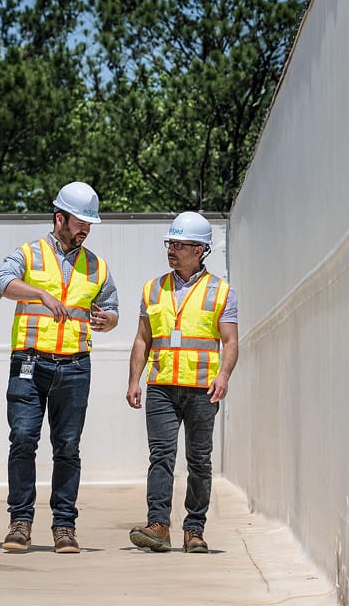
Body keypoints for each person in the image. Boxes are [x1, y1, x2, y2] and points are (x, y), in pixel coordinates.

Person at [0, 181, 119, 554]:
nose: (85, 230)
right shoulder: (28, 254)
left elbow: (112, 309)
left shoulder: (97, 265)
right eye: (80, 223)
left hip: (75, 367)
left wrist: (108, 320)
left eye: (89, 225)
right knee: (24, 440)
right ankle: (20, 522)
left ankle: (64, 526)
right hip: (29, 364)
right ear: (59, 218)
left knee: (67, 448)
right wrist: (40, 293)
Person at [126, 211, 239, 554]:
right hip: (161, 385)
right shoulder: (152, 288)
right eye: (170, 243)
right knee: (161, 455)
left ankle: (194, 530)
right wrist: (135, 380)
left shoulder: (221, 292)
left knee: (199, 459)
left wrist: (224, 376)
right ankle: (158, 525)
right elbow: (142, 339)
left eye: (180, 244)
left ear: (200, 249)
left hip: (203, 388)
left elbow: (230, 341)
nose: (171, 250)